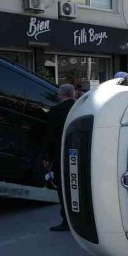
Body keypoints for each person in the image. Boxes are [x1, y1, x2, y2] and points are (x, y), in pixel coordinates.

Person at [46, 84, 78, 232]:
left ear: (60, 95)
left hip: (61, 156)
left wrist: (47, 157)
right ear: (73, 94)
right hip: (81, 154)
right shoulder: (80, 108)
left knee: (64, 189)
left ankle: (67, 220)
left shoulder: (55, 111)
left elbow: (50, 138)